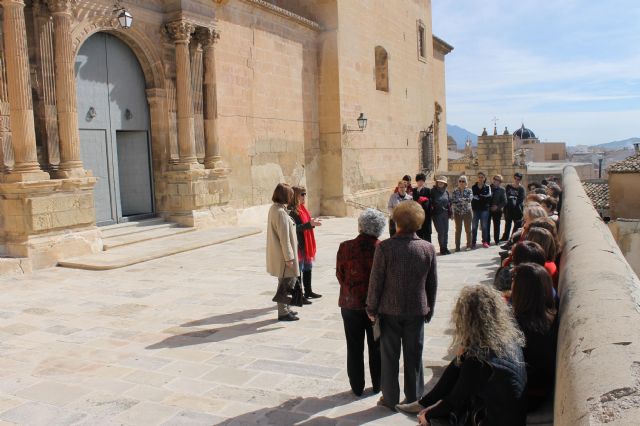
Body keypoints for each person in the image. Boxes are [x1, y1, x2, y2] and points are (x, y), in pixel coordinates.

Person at [397, 285, 527, 426]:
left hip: (497, 418)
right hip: (508, 413)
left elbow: (455, 400)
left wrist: (427, 415)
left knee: (432, 419)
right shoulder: (505, 339)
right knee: (461, 359)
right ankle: (426, 402)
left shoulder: (479, 361)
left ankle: (426, 406)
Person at [366, 201, 438, 409]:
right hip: (416, 310)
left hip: (389, 310)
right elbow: (432, 283)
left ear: (396, 221)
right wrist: (429, 308)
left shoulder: (385, 248)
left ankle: (389, 398)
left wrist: (371, 308)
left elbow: (376, 281)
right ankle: (414, 397)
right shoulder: (427, 248)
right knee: (414, 355)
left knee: (389, 356)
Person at [336, 209, 385, 396]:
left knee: (354, 347)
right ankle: (378, 385)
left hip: (350, 304)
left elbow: (340, 274)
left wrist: (351, 290)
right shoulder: (382, 248)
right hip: (375, 307)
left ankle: (357, 387)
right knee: (376, 347)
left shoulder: (345, 247)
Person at [511, 263, 558, 411]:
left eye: (514, 280)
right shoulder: (548, 315)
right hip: (539, 388)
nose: (512, 283)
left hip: (528, 394)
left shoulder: (522, 324)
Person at [266, 183, 300, 321]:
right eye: (290, 195)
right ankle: (283, 312)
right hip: (284, 256)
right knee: (286, 283)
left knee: (286, 281)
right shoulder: (279, 213)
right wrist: (289, 258)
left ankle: (286, 308)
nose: (292, 197)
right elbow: (284, 238)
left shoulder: (276, 209)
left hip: (282, 255)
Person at [289, 186, 323, 300]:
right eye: (302, 194)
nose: (304, 197)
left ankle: (308, 291)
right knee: (299, 271)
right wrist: (310, 224)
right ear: (295, 196)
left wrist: (312, 223)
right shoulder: (292, 211)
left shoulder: (302, 208)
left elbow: (306, 224)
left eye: (305, 194)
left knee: (308, 268)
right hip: (299, 244)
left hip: (306, 243)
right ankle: (299, 295)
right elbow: (294, 228)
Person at [451, 175, 472, 252]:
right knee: (458, 230)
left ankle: (469, 245)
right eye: (460, 181)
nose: (461, 182)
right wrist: (463, 200)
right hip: (457, 213)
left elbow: (469, 199)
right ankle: (457, 247)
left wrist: (459, 200)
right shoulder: (455, 191)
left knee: (468, 230)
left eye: (463, 181)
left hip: (467, 212)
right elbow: (453, 200)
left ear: (466, 182)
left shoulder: (469, 190)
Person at [431, 176, 451, 255]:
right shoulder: (433, 191)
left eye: (442, 182)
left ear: (445, 184)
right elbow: (431, 201)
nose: (440, 183)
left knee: (446, 231)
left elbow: (449, 202)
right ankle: (442, 248)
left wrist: (450, 212)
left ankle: (445, 247)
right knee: (441, 231)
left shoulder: (446, 191)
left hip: (445, 213)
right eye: (439, 182)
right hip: (437, 213)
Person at [471, 172, 492, 248]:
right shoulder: (473, 187)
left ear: (484, 178)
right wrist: (483, 197)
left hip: (484, 209)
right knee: (474, 226)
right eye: (479, 177)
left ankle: (485, 241)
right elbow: (473, 197)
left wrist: (480, 197)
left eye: (482, 177)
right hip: (476, 209)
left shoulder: (487, 187)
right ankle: (473, 242)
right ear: (477, 178)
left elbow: (489, 197)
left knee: (484, 226)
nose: (480, 179)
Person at [502, 173, 525, 241]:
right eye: (515, 178)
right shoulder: (508, 186)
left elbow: (521, 199)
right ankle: (505, 237)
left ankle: (513, 238)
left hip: (517, 209)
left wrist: (514, 203)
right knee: (507, 224)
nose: (516, 180)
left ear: (520, 180)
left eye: (518, 179)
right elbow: (505, 196)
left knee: (517, 225)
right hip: (508, 209)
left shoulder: (521, 188)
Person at [413, 173, 432, 242]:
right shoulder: (414, 190)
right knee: (418, 233)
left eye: (422, 181)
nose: (420, 182)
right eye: (419, 181)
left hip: (426, 215)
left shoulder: (428, 190)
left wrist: (424, 200)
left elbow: (430, 201)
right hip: (417, 216)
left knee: (427, 234)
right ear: (417, 181)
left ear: (424, 181)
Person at [489, 175, 507, 246]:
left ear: (500, 182)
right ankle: (487, 240)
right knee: (487, 225)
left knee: (496, 225)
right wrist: (489, 206)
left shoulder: (502, 190)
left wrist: (497, 207)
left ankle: (496, 240)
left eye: (498, 180)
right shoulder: (488, 187)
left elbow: (505, 201)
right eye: (495, 179)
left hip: (497, 210)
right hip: (488, 209)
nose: (496, 181)